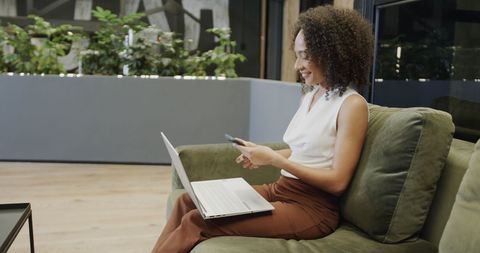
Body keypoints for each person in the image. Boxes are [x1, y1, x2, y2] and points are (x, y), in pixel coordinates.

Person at [151, 5, 374, 253]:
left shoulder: (351, 105)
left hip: (313, 209)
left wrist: (275, 159)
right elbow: (307, 152)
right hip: (281, 190)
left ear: (333, 53)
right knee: (186, 201)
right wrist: (263, 153)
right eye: (297, 55)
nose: (296, 65)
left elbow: (337, 182)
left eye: (305, 55)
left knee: (196, 221)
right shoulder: (312, 96)